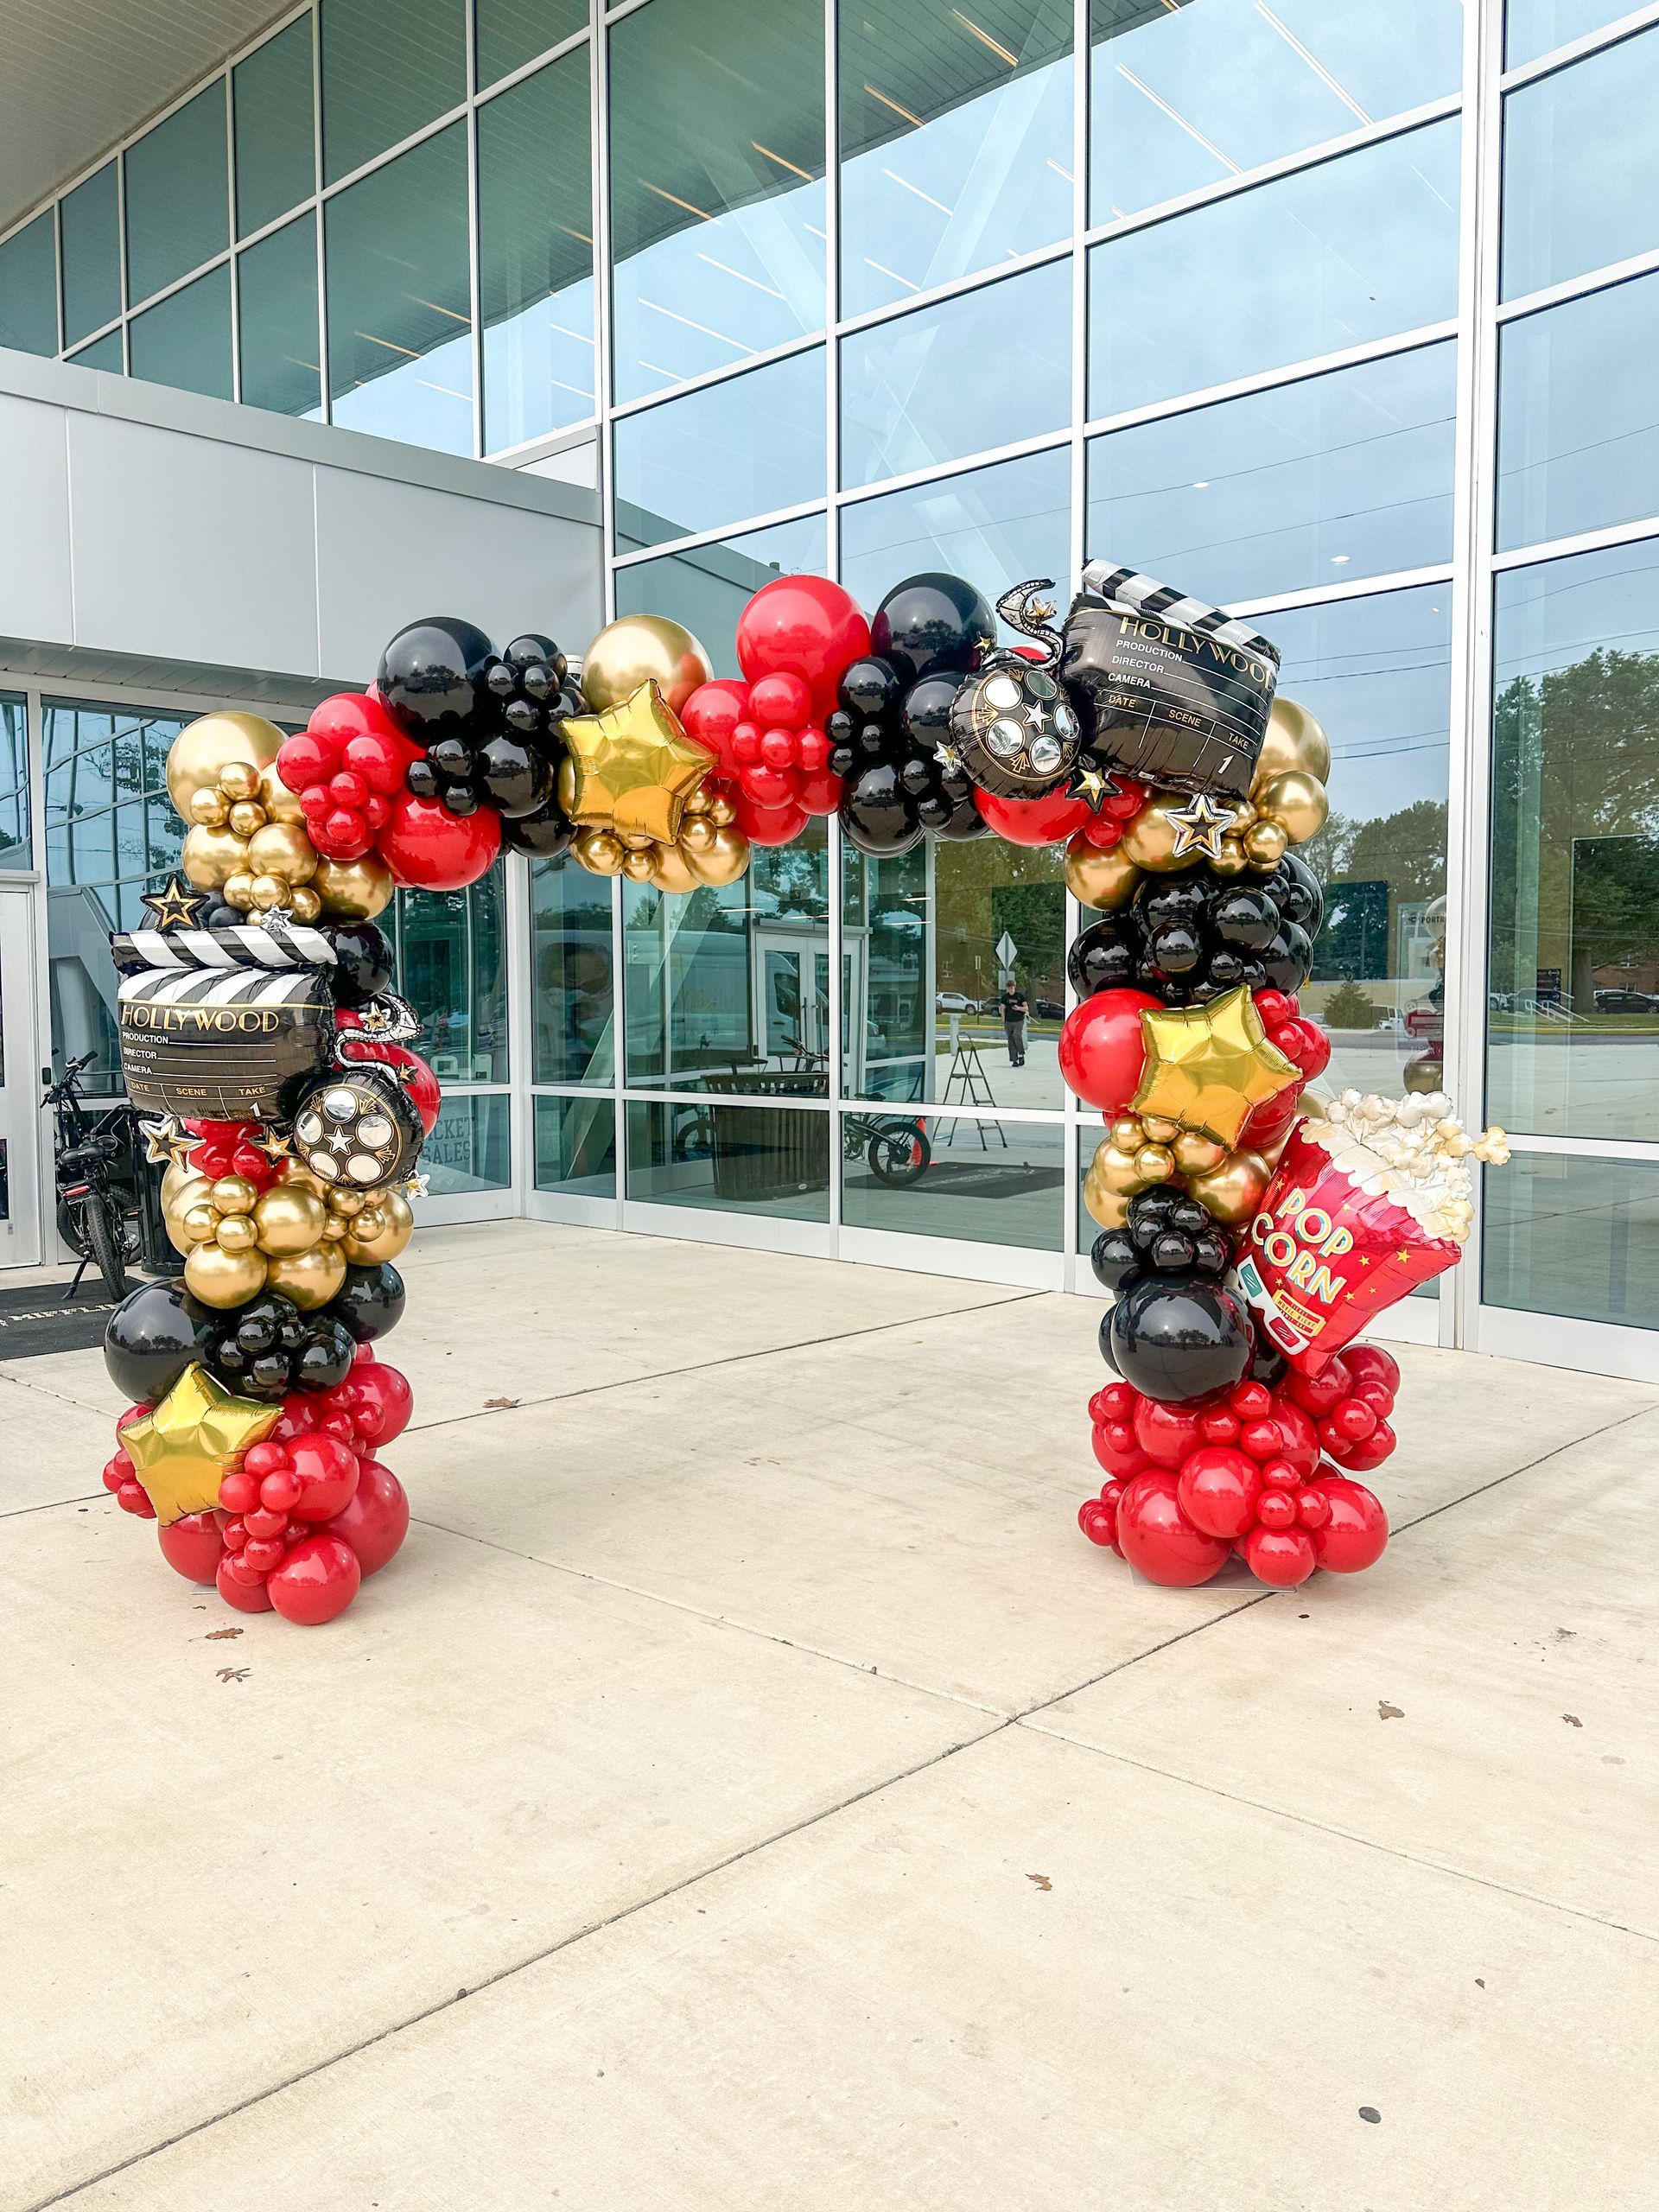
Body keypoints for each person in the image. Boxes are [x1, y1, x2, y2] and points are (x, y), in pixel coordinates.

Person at [1000, 980, 1028, 1068]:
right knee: (1011, 1039)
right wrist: (1003, 1021)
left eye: (1012, 988)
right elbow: (1002, 1009)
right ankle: (1014, 1060)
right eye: (1009, 988)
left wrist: (1018, 1008)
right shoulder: (1005, 997)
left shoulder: (1019, 996)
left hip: (1018, 1020)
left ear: (1014, 987)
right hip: (1008, 1021)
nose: (1010, 990)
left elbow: (1026, 1008)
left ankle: (1021, 1054)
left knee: (1017, 1036)